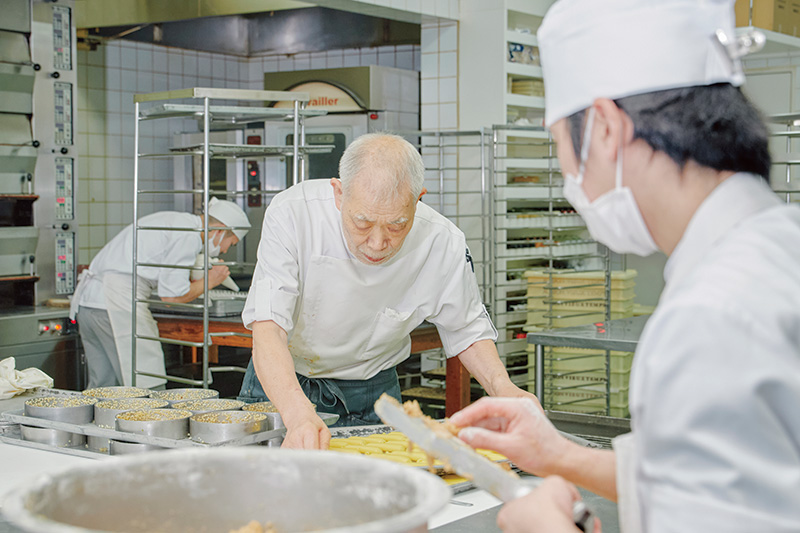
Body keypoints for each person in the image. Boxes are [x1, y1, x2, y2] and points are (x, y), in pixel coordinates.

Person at [449, 0, 800, 532]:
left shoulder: (711, 318)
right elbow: (724, 480)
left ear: (607, 129)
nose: (571, 176)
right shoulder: (777, 243)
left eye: (561, 147)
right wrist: (560, 454)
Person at [238, 132, 538, 448]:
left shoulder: (442, 242)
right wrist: (297, 412)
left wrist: (503, 388)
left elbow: (467, 330)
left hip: (373, 393)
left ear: (418, 198)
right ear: (339, 193)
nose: (378, 243)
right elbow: (268, 330)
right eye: (362, 223)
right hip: (281, 384)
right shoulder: (294, 214)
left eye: (396, 226)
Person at [70, 198, 251, 389]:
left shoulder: (175, 221)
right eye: (230, 244)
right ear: (221, 229)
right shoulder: (188, 235)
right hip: (115, 305)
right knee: (147, 382)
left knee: (103, 386)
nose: (223, 250)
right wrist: (210, 281)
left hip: (88, 303)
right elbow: (172, 297)